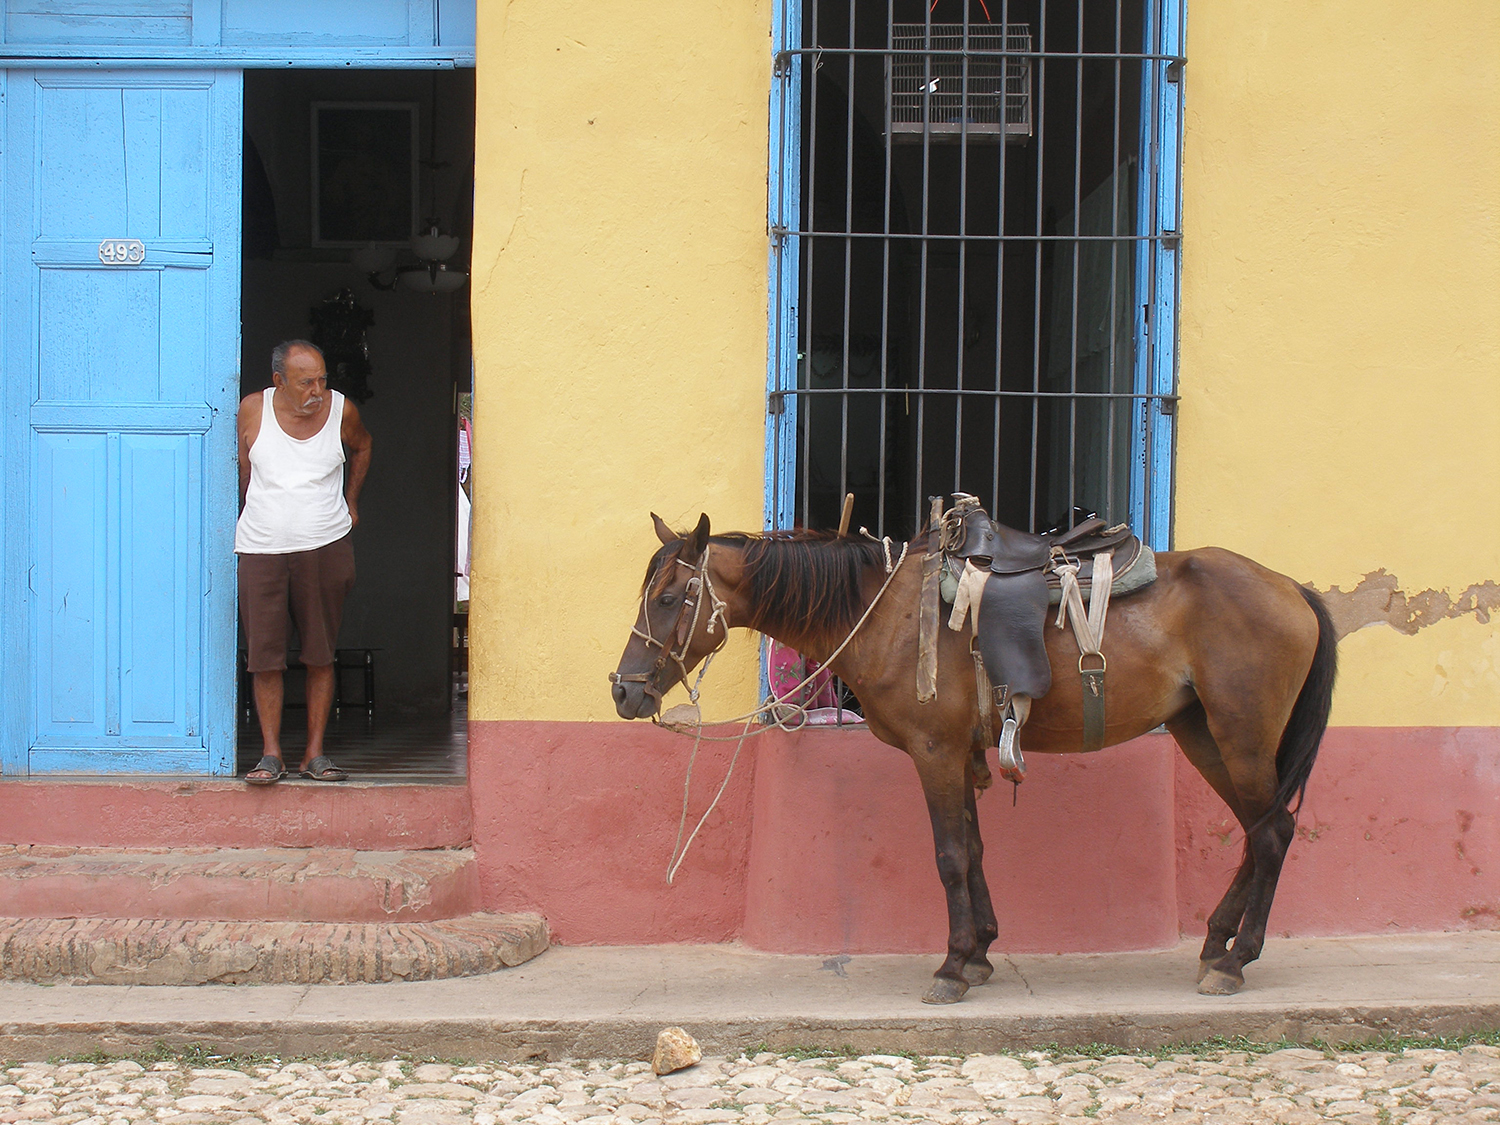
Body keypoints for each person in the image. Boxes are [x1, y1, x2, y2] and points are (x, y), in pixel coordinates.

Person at [236, 340, 373, 784]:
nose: (317, 389)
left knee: (319, 653)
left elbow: (364, 447)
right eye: (305, 382)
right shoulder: (253, 410)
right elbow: (243, 468)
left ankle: (314, 754)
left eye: (322, 379)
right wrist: (253, 512)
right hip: (261, 549)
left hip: (325, 546)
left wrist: (351, 500)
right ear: (279, 382)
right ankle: (271, 754)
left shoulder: (341, 411)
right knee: (265, 658)